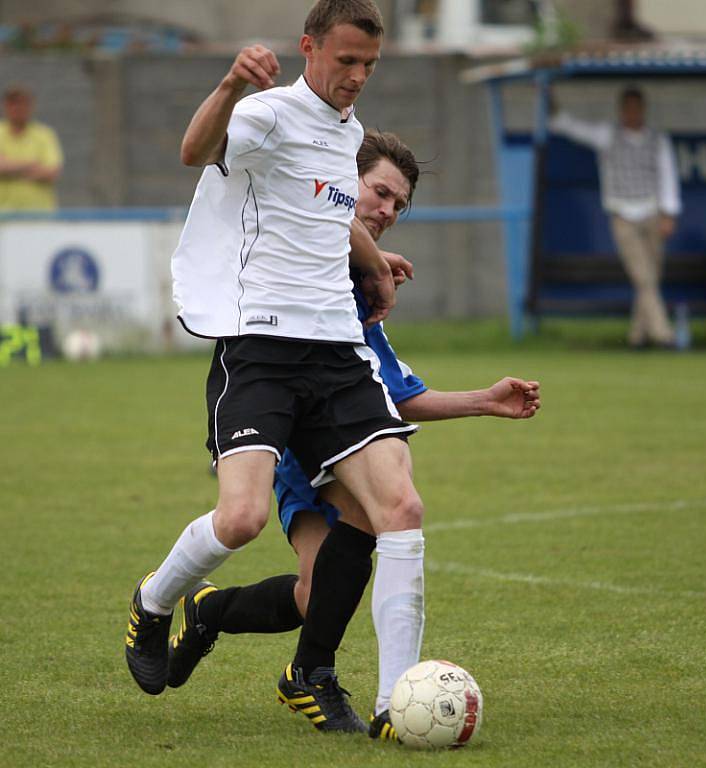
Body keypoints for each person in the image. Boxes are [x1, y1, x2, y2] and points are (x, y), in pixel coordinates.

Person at [165, 129, 541, 741]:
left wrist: (483, 401)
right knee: (350, 540)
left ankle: (220, 619)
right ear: (345, 182)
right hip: (290, 439)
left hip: (341, 429)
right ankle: (313, 672)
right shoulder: (308, 254)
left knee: (322, 593)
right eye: (379, 192)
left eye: (399, 204)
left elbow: (397, 394)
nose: (387, 210)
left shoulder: (362, 291)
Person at [126, 0, 425, 736]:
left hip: (336, 353)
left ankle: (396, 705)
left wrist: (371, 262)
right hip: (258, 346)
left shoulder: (348, 134)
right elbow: (195, 152)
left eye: (369, 66)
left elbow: (327, 211)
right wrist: (230, 86)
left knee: (399, 511)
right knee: (241, 518)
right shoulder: (266, 114)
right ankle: (155, 602)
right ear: (309, 48)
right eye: (346, 60)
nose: (356, 77)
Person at [550, 87, 681, 349]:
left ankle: (637, 336)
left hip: (652, 213)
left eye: (636, 107)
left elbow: (668, 176)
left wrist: (669, 212)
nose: (632, 113)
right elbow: (568, 125)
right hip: (623, 214)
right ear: (621, 110)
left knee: (650, 278)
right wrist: (549, 98)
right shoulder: (607, 136)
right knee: (642, 276)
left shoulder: (658, 140)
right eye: (627, 107)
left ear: (643, 109)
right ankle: (663, 334)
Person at [0, 85, 63, 211]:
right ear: (5, 106)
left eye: (23, 104)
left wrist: (9, 168)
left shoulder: (45, 135)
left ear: (31, 106)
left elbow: (52, 173)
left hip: (39, 218)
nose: (18, 108)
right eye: (13, 103)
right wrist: (31, 164)